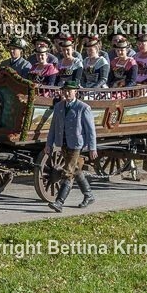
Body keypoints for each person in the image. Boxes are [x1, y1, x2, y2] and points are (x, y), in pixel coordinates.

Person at [44, 80, 98, 212]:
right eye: (65, 90)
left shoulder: (83, 108)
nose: (67, 93)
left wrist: (92, 147)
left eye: (70, 90)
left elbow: (91, 130)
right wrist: (49, 144)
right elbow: (53, 127)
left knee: (68, 172)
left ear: (76, 92)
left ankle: (59, 202)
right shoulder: (59, 107)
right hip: (63, 144)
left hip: (76, 145)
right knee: (76, 170)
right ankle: (89, 195)